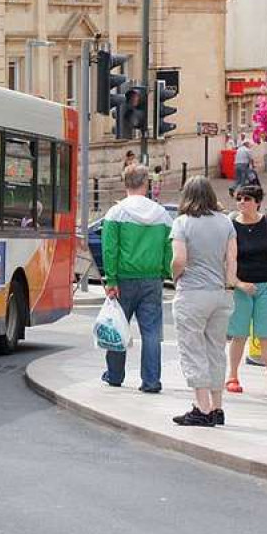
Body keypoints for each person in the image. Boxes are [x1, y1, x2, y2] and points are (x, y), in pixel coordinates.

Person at [170, 176, 237, 426]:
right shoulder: (225, 222)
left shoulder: (182, 223)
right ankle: (217, 407)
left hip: (192, 293)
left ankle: (203, 409)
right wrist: (229, 286)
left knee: (193, 350)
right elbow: (232, 259)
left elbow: (179, 260)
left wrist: (175, 277)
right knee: (216, 350)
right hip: (221, 293)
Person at [101, 164, 173, 392]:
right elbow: (169, 248)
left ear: (125, 184)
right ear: (146, 184)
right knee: (151, 332)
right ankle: (151, 381)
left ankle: (114, 375)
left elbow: (109, 249)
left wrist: (111, 279)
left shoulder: (116, 213)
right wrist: (166, 273)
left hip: (123, 278)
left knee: (117, 326)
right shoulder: (161, 214)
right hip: (152, 279)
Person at [225, 184, 267, 397]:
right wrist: (237, 283)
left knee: (266, 334)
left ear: (257, 202)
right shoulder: (233, 226)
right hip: (244, 286)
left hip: (266, 283)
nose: (242, 203)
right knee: (239, 333)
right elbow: (231, 257)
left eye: (247, 199)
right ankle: (232, 376)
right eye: (239, 199)